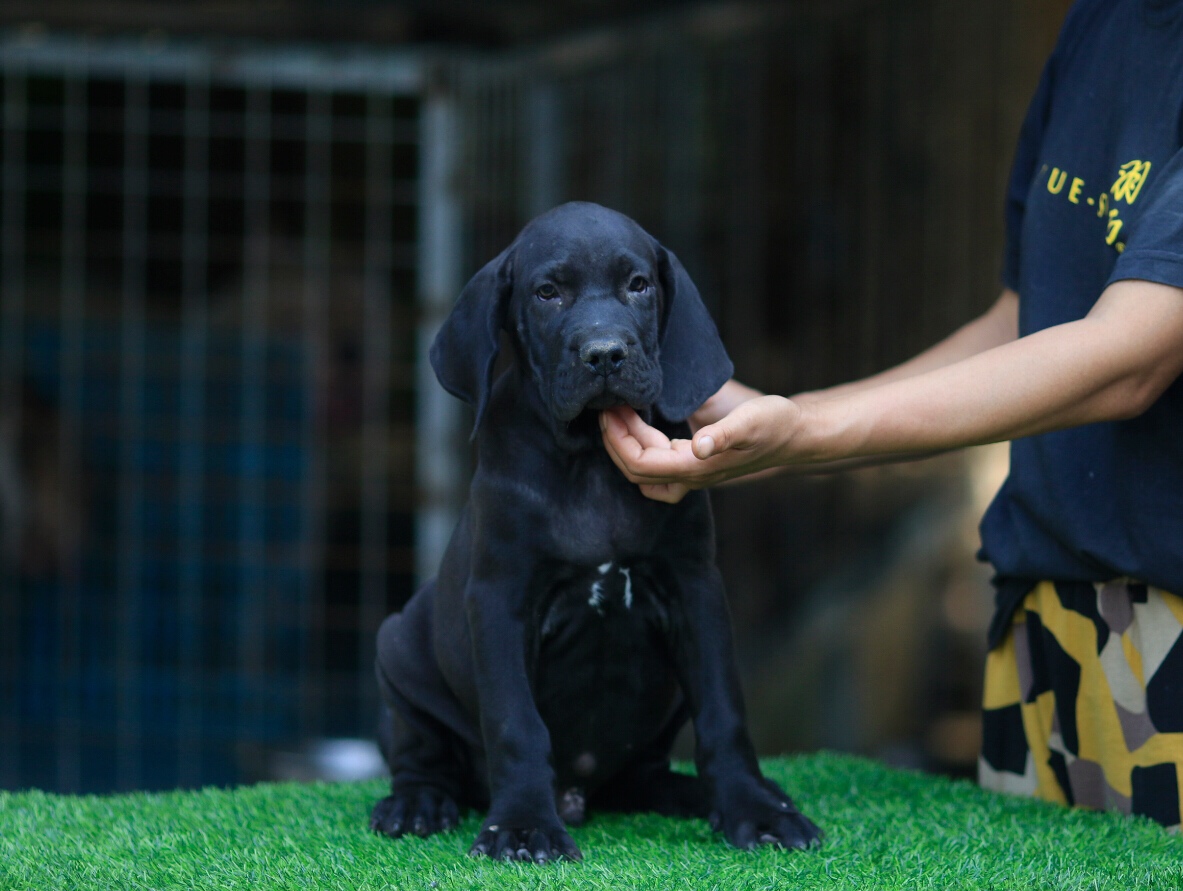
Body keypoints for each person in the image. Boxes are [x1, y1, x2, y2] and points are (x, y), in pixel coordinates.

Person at [600, 0, 1183, 828]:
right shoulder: (1101, 21)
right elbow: (1031, 316)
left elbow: (1129, 356)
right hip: (1040, 599)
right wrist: (784, 417)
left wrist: (799, 437)